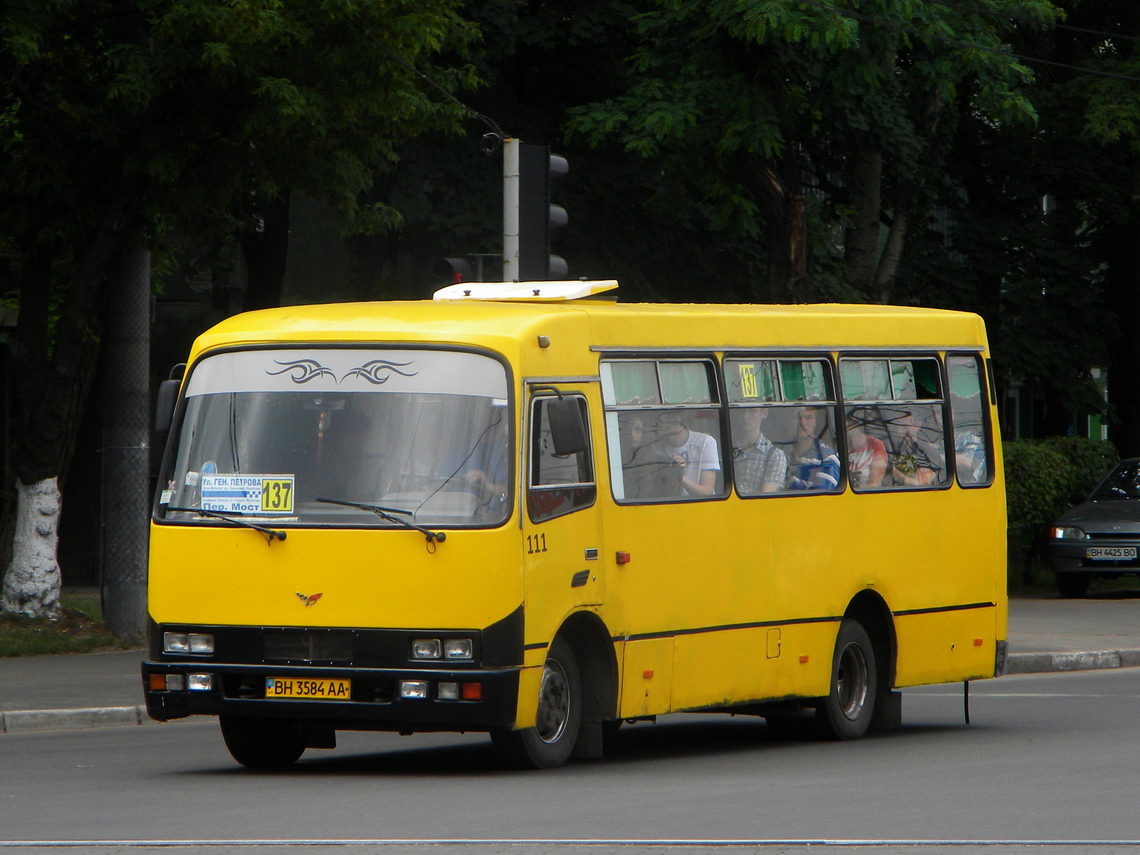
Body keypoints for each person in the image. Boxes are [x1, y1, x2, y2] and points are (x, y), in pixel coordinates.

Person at [654, 411, 721, 497]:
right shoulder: (656, 447)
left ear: (676, 420)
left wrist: (681, 478)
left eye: (660, 419)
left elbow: (708, 492)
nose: (656, 425)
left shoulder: (705, 442)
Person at [731, 406, 787, 495]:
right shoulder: (724, 449)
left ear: (764, 413)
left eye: (752, 411)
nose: (745, 416)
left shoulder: (775, 455)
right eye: (742, 411)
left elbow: (766, 497)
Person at [787, 407, 840, 491]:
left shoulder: (827, 456)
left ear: (816, 421)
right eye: (797, 418)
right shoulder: (782, 451)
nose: (802, 423)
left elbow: (821, 498)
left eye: (808, 418)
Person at [889, 408, 943, 487]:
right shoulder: (889, 447)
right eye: (897, 426)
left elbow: (922, 482)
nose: (899, 431)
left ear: (918, 425)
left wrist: (894, 472)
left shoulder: (926, 452)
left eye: (904, 427)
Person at [846, 408, 888, 489]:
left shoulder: (875, 445)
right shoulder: (840, 446)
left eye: (850, 424)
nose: (847, 428)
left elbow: (875, 484)